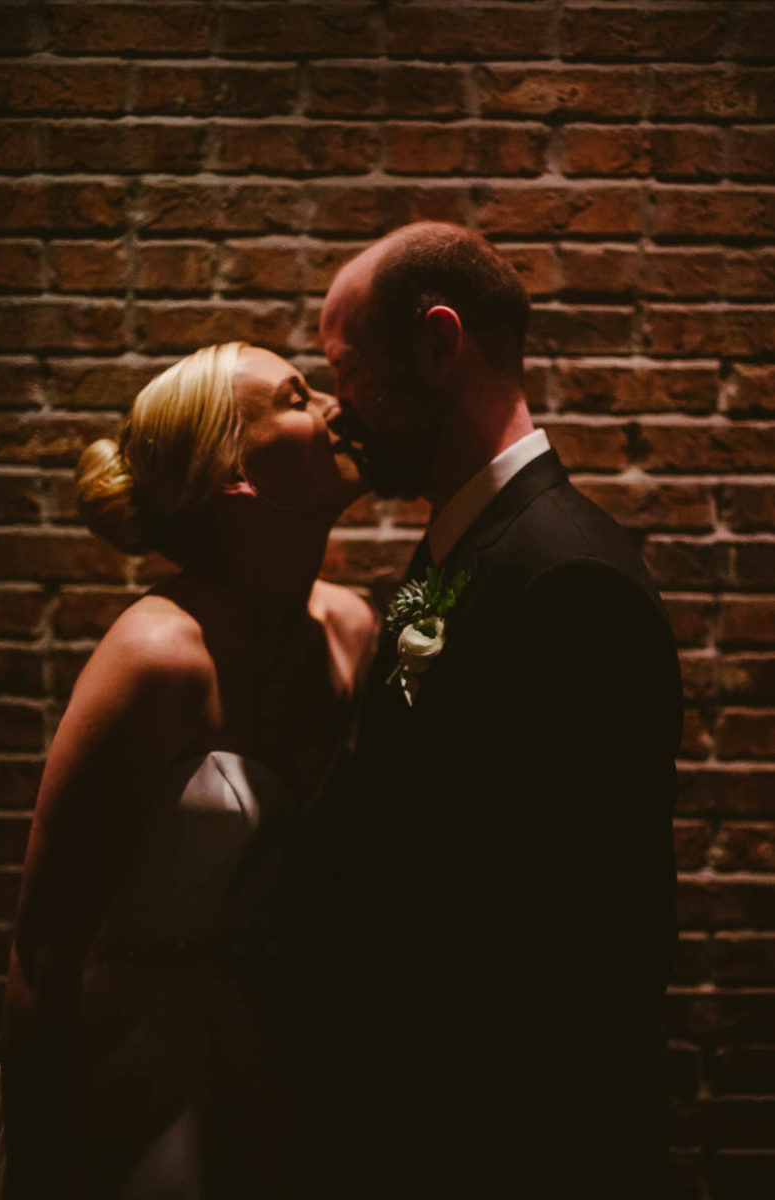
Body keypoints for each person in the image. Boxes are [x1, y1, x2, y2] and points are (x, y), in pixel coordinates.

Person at [319, 223, 683, 1198]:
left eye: (345, 371)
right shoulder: (457, 546)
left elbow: (599, 949)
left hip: (509, 1148)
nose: (337, 412)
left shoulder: (568, 577)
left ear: (438, 348)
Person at [0, 342, 375, 1200]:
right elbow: (45, 951)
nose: (337, 406)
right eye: (299, 398)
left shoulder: (356, 630)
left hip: (288, 1060)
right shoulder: (158, 658)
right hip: (134, 1075)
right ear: (235, 475)